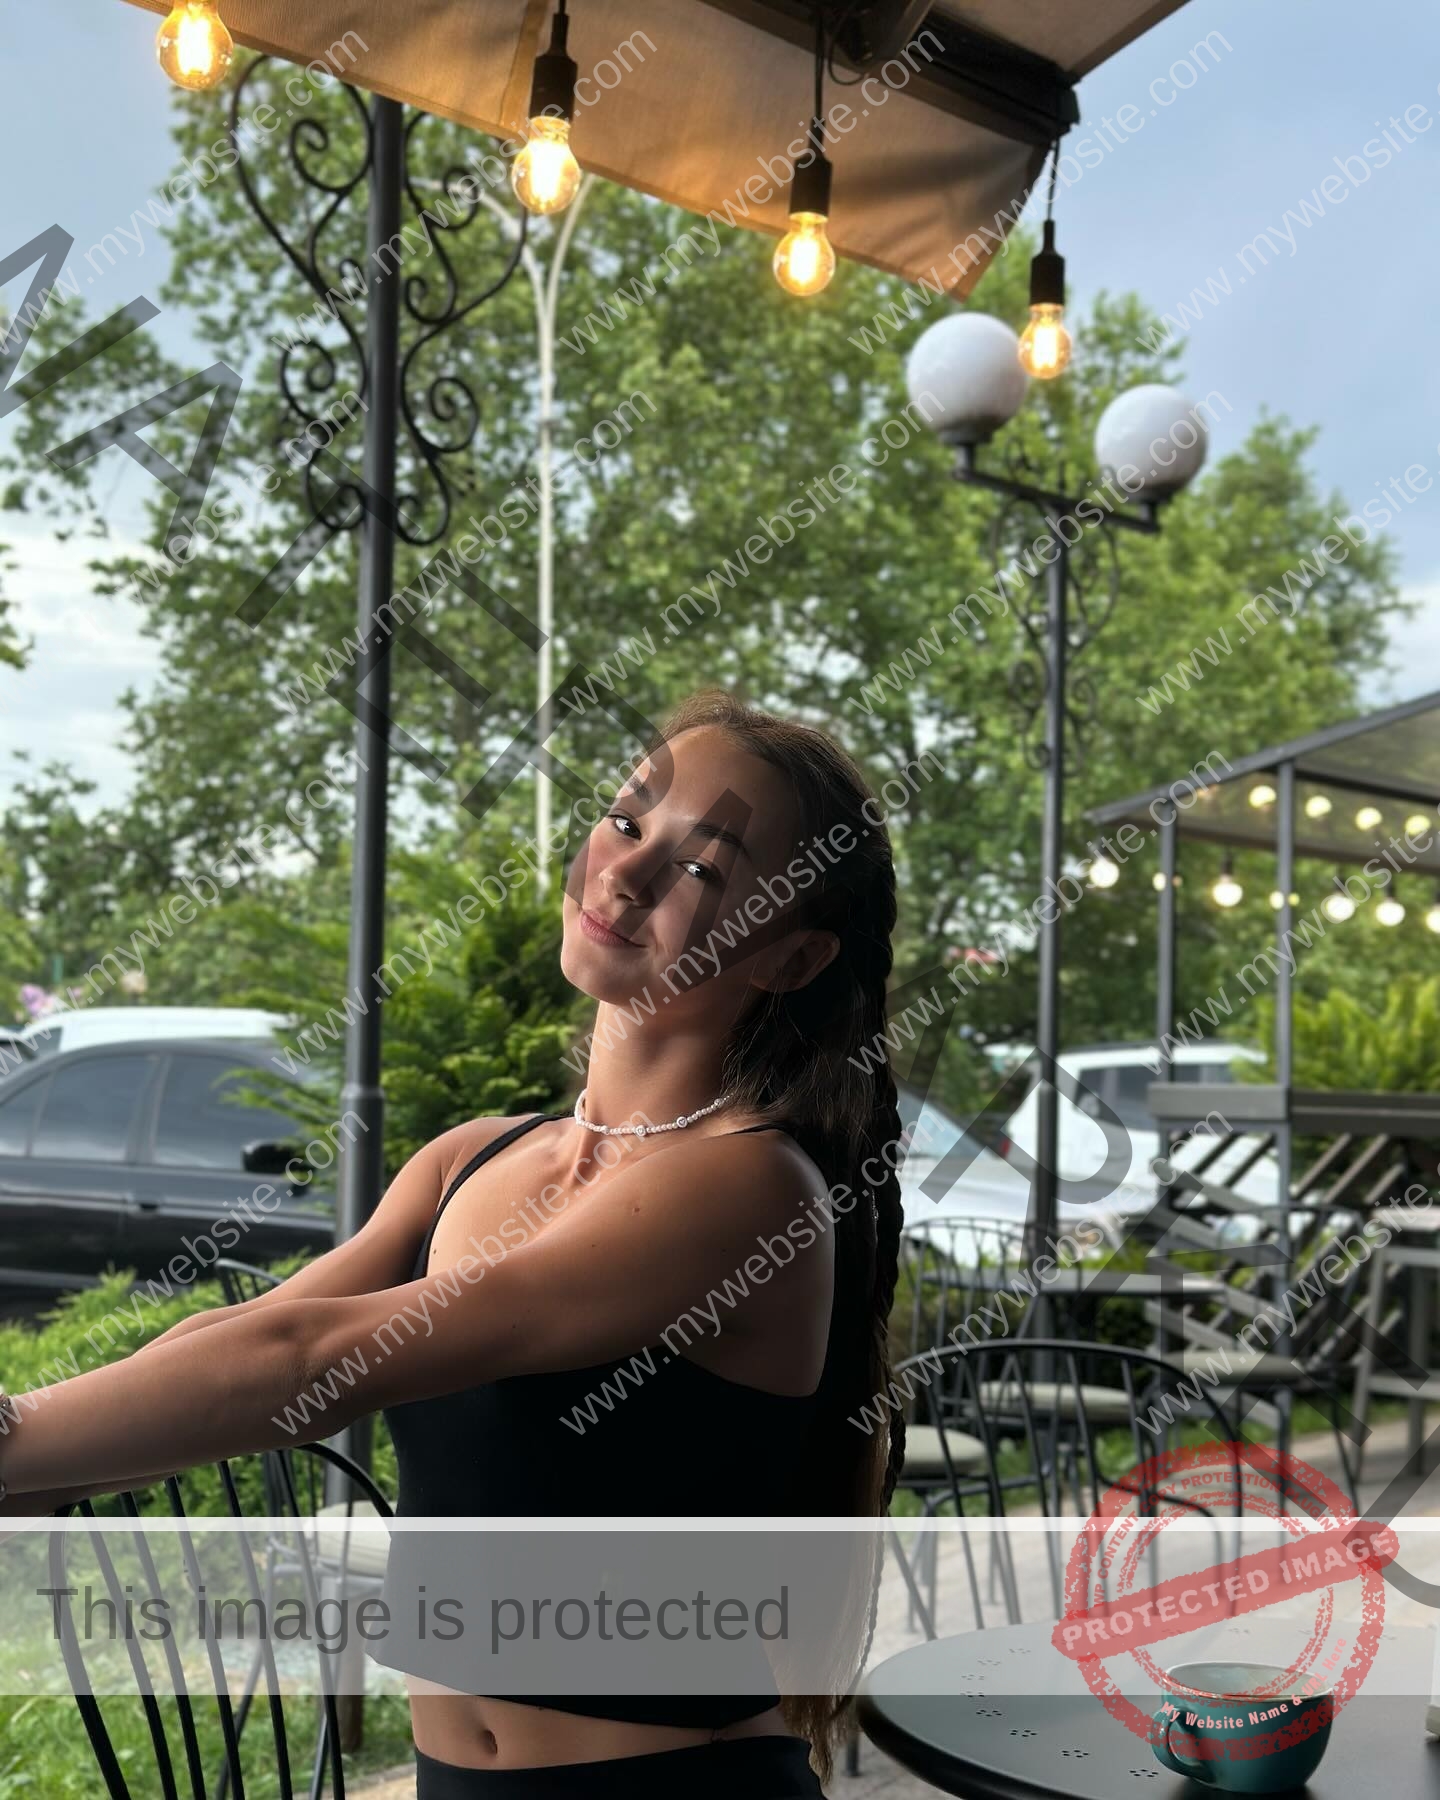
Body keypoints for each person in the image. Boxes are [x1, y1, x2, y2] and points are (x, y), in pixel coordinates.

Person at [0, 689, 909, 1797]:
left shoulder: (751, 1191)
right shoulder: (471, 1158)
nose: (624, 874)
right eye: (626, 821)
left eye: (703, 870)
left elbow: (310, 1365)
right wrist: (30, 1467)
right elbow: (239, 1337)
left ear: (792, 958)